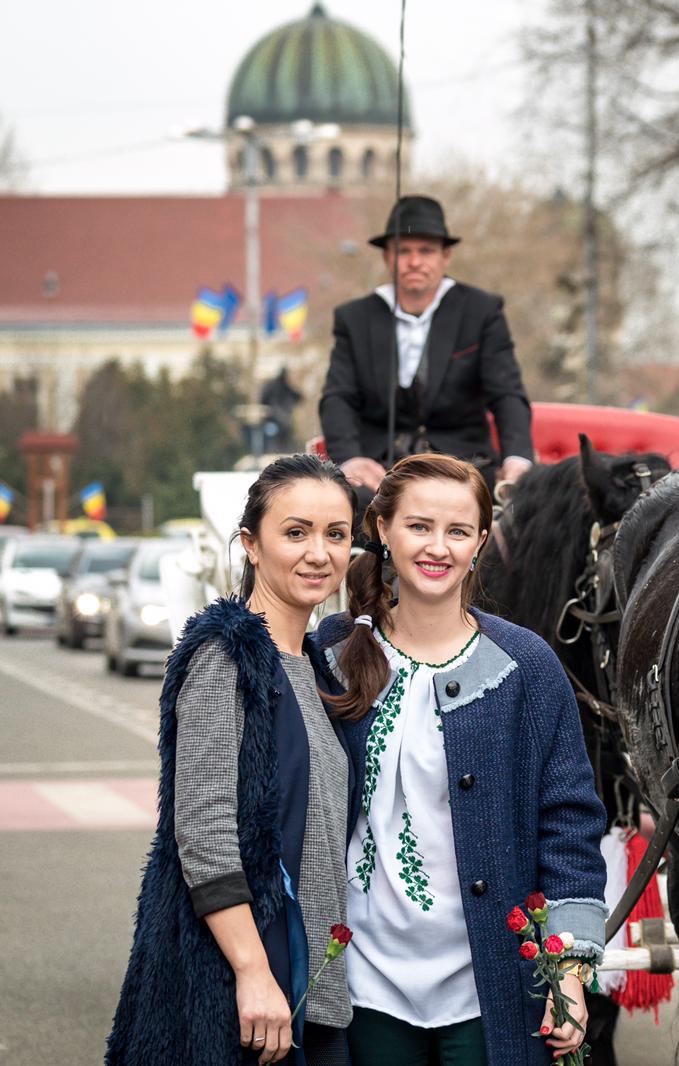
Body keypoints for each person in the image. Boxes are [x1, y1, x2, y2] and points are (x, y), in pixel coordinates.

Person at [316, 454, 606, 1066]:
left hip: (492, 986)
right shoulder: (329, 655)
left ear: (480, 541)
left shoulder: (526, 667)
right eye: (419, 526)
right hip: (361, 981)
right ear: (383, 530)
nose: (437, 548)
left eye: (457, 531)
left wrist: (570, 974)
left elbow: (571, 826)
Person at [108, 455, 359, 1066]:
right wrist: (252, 972)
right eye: (295, 532)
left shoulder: (316, 664)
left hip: (311, 989)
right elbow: (204, 832)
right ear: (250, 544)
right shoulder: (227, 656)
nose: (318, 553)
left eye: (336, 534)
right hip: (241, 997)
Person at [320, 195, 535, 500]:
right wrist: (351, 460)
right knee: (349, 502)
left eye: (426, 250)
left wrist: (517, 460)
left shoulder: (482, 311)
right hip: (381, 470)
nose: (415, 261)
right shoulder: (354, 319)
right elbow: (337, 397)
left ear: (445, 256)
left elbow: (506, 393)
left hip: (465, 466)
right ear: (386, 257)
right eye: (403, 251)